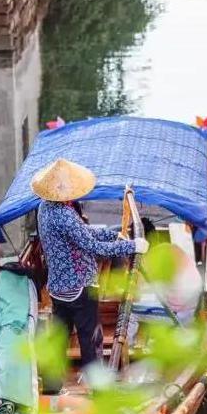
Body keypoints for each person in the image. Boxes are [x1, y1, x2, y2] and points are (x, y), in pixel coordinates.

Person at [31, 158, 149, 369]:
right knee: (90, 340)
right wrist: (131, 246)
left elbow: (83, 234)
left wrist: (113, 235)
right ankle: (97, 388)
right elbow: (93, 247)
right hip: (79, 288)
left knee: (58, 340)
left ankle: (51, 386)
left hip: (58, 288)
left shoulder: (43, 208)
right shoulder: (66, 215)